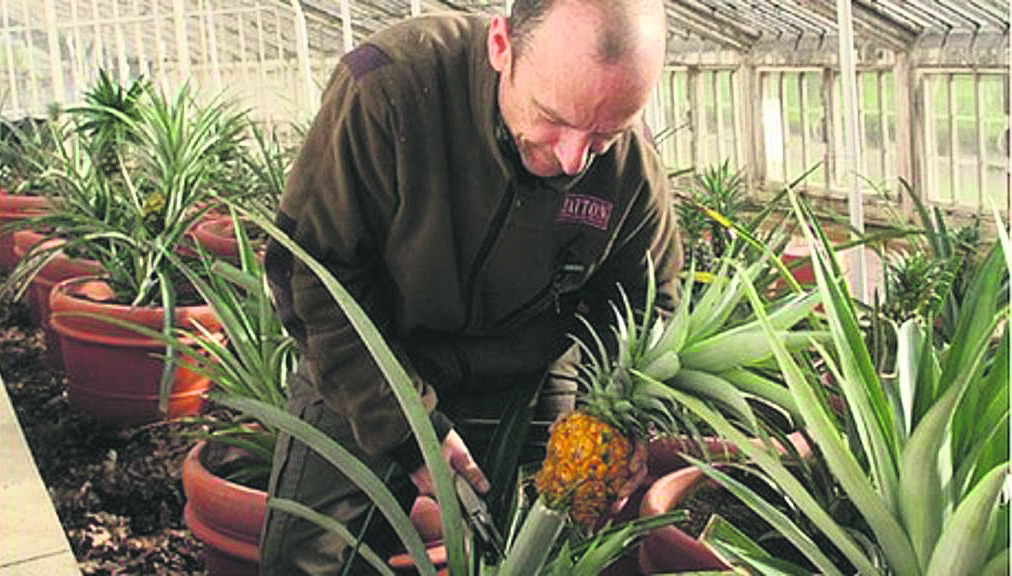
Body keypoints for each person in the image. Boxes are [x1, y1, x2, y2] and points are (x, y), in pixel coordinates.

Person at [260, 0, 682, 572]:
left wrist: (615, 427)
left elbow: (645, 309)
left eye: (604, 135)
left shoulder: (633, 166)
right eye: (552, 117)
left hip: (527, 371)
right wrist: (405, 427)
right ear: (501, 46)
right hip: (375, 354)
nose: (572, 160)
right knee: (312, 558)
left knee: (540, 555)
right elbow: (311, 271)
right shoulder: (387, 89)